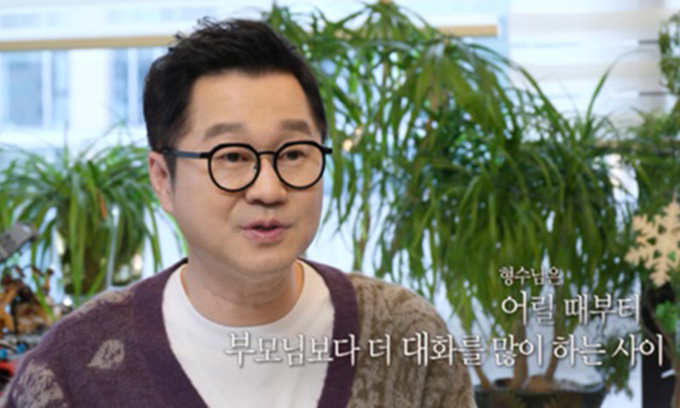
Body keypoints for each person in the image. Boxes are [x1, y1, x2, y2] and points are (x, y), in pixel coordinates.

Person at [0, 18, 475, 407]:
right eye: (231, 156)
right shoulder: (70, 371)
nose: (269, 189)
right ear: (163, 178)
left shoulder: (405, 335)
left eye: (294, 153)